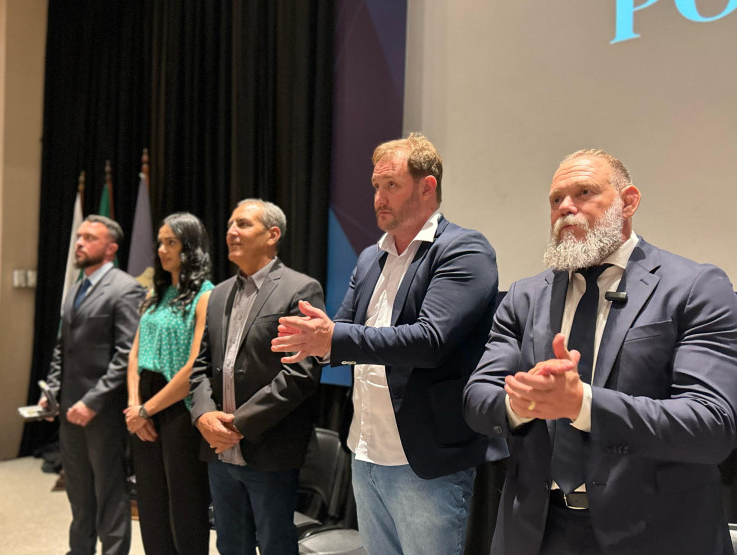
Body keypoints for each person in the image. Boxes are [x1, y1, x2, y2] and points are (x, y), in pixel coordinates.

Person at [462, 149, 737, 554]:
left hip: (654, 534)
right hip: (533, 532)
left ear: (628, 201)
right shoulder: (523, 297)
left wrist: (583, 404)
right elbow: (477, 399)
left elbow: (711, 425)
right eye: (555, 199)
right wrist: (522, 404)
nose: (565, 207)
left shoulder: (695, 288)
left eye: (583, 192)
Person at [271, 133, 508, 555]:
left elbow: (430, 340)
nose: (379, 197)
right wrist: (316, 341)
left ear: (427, 186)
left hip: (426, 458)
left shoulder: (464, 250)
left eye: (392, 186)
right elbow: (343, 330)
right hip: (365, 450)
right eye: (376, 187)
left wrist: (335, 338)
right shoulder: (370, 257)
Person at [189, 199, 324, 555]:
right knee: (230, 544)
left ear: (272, 235)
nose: (231, 231)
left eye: (244, 224)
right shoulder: (217, 295)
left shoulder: (300, 289)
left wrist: (238, 424)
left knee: (276, 544)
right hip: (218, 449)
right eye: (231, 224)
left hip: (268, 447)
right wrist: (203, 415)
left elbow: (301, 373)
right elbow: (199, 366)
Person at [43, 215, 146, 555]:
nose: (79, 242)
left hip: (102, 412)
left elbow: (126, 356)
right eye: (79, 236)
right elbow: (63, 347)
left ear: (111, 248)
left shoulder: (126, 288)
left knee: (110, 493)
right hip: (70, 409)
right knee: (79, 492)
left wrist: (93, 401)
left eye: (89, 238)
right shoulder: (76, 287)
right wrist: (53, 393)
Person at [123, 212, 213, 555]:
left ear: (190, 247)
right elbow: (135, 355)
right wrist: (135, 407)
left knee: (183, 504)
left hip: (178, 409)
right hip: (142, 407)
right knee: (150, 501)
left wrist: (146, 408)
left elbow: (193, 367)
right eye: (160, 242)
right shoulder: (153, 295)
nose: (162, 250)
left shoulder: (205, 295)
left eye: (171, 242)